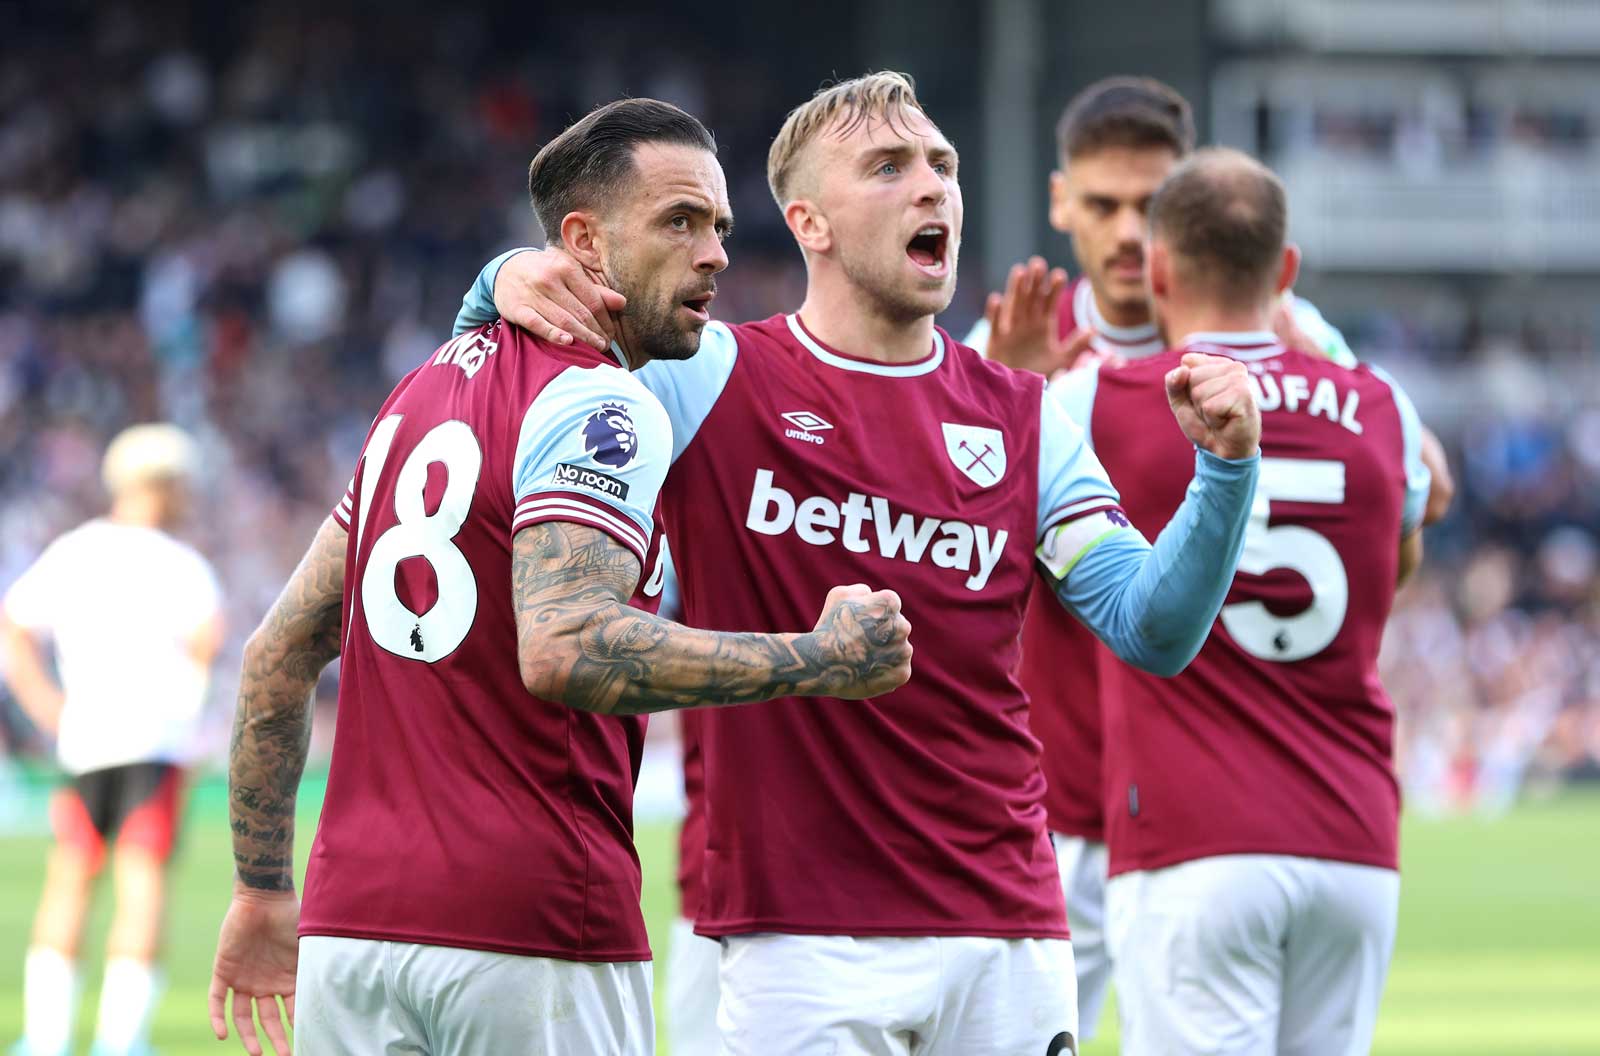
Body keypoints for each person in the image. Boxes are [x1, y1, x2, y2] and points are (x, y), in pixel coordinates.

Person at [458, 71, 1263, 1054]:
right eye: (887, 167)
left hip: (1005, 929)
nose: (931, 187)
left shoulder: (1024, 418)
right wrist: (496, 278)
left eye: (941, 165)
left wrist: (1225, 469)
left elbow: (1153, 628)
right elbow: (504, 383)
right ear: (810, 223)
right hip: (794, 937)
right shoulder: (708, 375)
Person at [206, 98, 913, 1056]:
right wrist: (818, 659)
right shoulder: (603, 404)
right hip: (531, 931)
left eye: (719, 228)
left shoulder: (414, 395)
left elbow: (277, 651)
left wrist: (258, 890)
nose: (713, 254)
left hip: (354, 936)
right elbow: (567, 645)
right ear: (580, 240)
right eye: (679, 223)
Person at [971, 75, 1456, 1041]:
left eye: (1148, 207)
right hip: (1054, 803)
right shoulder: (1011, 350)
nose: (1122, 232)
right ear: (1063, 202)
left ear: (1170, 244)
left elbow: (1425, 480)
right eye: (1102, 205)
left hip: (1180, 808)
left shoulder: (1266, 336)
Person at [1060, 147, 1428, 1054]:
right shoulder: (1385, 406)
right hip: (1354, 838)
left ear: (1156, 271)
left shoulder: (1095, 399)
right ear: (1287, 271)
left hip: (1194, 836)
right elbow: (1397, 564)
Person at [3, 424, 223, 1056]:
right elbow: (206, 651)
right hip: (152, 746)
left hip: (85, 742)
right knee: (141, 889)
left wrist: (50, 708)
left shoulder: (75, 550)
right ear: (164, 484)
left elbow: (14, 626)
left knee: (67, 882)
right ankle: (120, 1042)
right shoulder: (185, 566)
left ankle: (45, 1040)